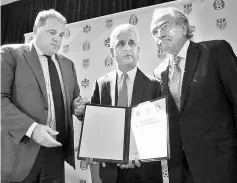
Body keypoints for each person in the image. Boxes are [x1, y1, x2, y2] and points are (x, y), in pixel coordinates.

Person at [150, 7, 237, 183]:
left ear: (183, 27)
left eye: (165, 26)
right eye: (155, 31)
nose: (159, 33)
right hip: (183, 170)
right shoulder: (159, 73)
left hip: (222, 164)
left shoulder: (215, 51)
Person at [1, 9, 88, 183]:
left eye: (62, 34)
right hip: (21, 153)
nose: (58, 38)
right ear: (35, 30)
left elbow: (73, 102)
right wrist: (32, 129)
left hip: (56, 152)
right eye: (52, 32)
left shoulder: (67, 64)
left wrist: (78, 109)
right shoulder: (10, 54)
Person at [90, 24, 163, 183]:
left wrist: (136, 155)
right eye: (120, 44)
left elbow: (158, 132)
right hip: (110, 172)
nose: (127, 48)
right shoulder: (101, 84)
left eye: (132, 43)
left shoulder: (155, 86)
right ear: (111, 52)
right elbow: (95, 126)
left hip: (144, 172)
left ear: (139, 50)